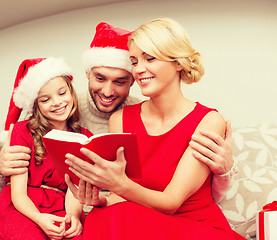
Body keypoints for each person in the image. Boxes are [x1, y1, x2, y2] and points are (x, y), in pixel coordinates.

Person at [0, 22, 237, 204]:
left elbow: (193, 194)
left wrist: (224, 172)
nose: (107, 91)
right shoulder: (57, 104)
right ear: (87, 73)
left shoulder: (140, 113)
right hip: (48, 209)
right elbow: (10, 173)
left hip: (105, 211)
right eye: (100, 78)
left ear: (131, 81)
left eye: (120, 81)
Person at [64, 18, 244, 239]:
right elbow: (122, 199)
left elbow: (171, 202)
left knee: (118, 217)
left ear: (178, 62)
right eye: (134, 61)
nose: (139, 70)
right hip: (141, 222)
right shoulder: (120, 119)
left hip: (194, 227)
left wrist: (119, 184)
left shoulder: (208, 120)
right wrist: (102, 200)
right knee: (102, 215)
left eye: (149, 58)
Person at [0, 57, 90, 240]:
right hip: (22, 208)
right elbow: (18, 193)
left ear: (71, 91)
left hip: (62, 207)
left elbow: (74, 189)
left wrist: (73, 216)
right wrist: (39, 218)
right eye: (45, 99)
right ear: (36, 105)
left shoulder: (84, 137)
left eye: (62, 93)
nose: (57, 102)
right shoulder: (23, 131)